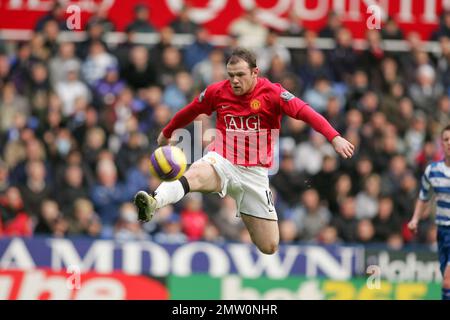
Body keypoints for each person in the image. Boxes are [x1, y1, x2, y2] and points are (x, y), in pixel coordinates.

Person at [134, 48, 354, 255]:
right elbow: (191, 110)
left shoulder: (273, 93)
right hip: (222, 160)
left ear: (255, 72)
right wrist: (168, 131)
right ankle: (155, 201)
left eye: (240, 74)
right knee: (195, 174)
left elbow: (305, 112)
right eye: (231, 75)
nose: (235, 80)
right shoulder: (218, 91)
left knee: (269, 246)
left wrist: (334, 137)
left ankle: (246, 210)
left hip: (255, 174)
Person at [408, 124, 450, 300]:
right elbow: (423, 197)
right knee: (445, 278)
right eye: (446, 139)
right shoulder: (432, 171)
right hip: (442, 231)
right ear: (441, 143)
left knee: (448, 279)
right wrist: (415, 219)